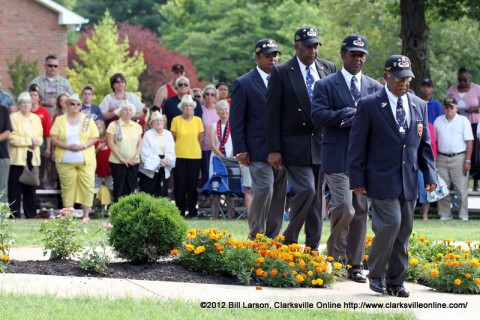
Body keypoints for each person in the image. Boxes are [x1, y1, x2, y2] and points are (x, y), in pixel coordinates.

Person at [348, 55, 437, 297]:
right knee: (391, 224)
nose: (404, 83)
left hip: (408, 180)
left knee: (404, 231)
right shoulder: (369, 104)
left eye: (408, 78)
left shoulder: (420, 104)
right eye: (399, 78)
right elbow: (357, 146)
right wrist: (356, 180)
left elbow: (424, 145)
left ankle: (396, 282)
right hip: (380, 179)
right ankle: (376, 274)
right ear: (387, 76)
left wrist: (430, 174)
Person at [311, 34, 383, 283]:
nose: (358, 59)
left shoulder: (375, 87)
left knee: (361, 210)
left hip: (364, 160)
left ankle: (354, 265)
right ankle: (334, 258)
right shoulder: (326, 85)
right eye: (353, 54)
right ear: (342, 55)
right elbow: (317, 115)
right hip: (336, 156)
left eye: (361, 55)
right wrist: (345, 114)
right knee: (345, 207)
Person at [265, 26, 336, 250]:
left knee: (316, 201)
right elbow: (272, 114)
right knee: (308, 190)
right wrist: (274, 149)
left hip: (322, 143)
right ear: (296, 47)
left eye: (315, 46)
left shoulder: (328, 68)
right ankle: (290, 237)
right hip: (294, 144)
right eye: (308, 47)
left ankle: (312, 248)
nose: (313, 51)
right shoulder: (282, 72)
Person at [230, 38, 287, 238]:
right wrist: (240, 149)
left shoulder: (283, 79)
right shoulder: (244, 83)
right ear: (257, 57)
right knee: (264, 188)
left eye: (275, 55)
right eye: (267, 56)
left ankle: (272, 237)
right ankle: (256, 233)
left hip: (283, 149)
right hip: (257, 149)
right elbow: (236, 120)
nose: (273, 59)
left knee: (279, 195)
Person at [50, 94, 99, 223]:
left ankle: (86, 215)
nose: (75, 106)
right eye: (72, 103)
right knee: (67, 188)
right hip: (65, 160)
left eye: (78, 104)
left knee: (88, 186)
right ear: (66, 105)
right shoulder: (60, 119)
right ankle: (69, 215)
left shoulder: (87, 119)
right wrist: (66, 146)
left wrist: (84, 146)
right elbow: (53, 138)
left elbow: (95, 137)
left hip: (86, 160)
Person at [434, 97, 473, 221]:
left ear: (456, 108)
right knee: (442, 187)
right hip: (441, 157)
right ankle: (445, 214)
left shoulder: (463, 121)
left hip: (459, 157)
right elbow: (434, 142)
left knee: (461, 188)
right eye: (446, 107)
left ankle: (463, 214)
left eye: (451, 107)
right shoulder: (438, 121)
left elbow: (469, 142)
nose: (449, 109)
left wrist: (468, 160)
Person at [8, 92, 43, 218]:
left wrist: (37, 142)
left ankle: (31, 214)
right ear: (19, 104)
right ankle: (14, 214)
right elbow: (12, 138)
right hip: (17, 158)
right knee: (15, 188)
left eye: (28, 102)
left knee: (31, 188)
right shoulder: (13, 118)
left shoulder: (36, 118)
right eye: (23, 102)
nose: (26, 104)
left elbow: (40, 137)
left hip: (33, 157)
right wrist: (29, 142)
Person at [446, 68, 480, 191]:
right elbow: (447, 103)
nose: (462, 83)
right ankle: (456, 179)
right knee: (460, 149)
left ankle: (475, 181)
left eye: (465, 80)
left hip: (473, 123)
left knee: (474, 150)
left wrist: (475, 109)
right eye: (460, 80)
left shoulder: (477, 88)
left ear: (469, 78)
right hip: (457, 124)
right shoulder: (452, 90)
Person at [170, 94, 204, 218]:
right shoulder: (176, 120)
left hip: (195, 155)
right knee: (180, 185)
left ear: (193, 107)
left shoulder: (198, 120)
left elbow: (200, 139)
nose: (188, 108)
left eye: (190, 106)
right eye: (186, 106)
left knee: (192, 185)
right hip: (179, 155)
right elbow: (172, 138)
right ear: (181, 107)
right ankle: (180, 211)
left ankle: (192, 211)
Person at [106, 100, 142, 202]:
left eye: (130, 110)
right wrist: (122, 159)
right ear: (120, 112)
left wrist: (135, 157)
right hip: (117, 162)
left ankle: (129, 212)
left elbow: (140, 143)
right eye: (125, 110)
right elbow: (111, 143)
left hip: (133, 162)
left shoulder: (136, 126)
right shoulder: (113, 125)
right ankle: (117, 211)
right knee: (119, 187)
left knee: (131, 186)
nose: (128, 112)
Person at [138, 111, 176, 198]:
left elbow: (171, 151)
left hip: (165, 164)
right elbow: (145, 154)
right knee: (149, 193)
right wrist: (158, 161)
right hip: (150, 168)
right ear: (152, 123)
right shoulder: (148, 134)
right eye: (156, 121)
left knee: (162, 193)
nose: (159, 122)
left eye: (161, 120)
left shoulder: (168, 134)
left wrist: (167, 160)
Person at [209, 100, 234, 219]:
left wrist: (230, 157)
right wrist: (222, 157)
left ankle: (230, 214)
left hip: (232, 158)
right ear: (217, 112)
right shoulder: (214, 126)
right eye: (221, 109)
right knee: (216, 185)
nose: (224, 111)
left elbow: (236, 141)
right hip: (216, 158)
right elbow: (213, 144)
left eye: (226, 109)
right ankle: (215, 214)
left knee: (231, 185)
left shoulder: (233, 124)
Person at [29, 84, 52, 189]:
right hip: (26, 142)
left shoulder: (44, 112)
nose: (32, 97)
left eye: (34, 95)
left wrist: (48, 147)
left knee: (40, 169)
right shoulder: (26, 110)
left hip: (40, 143)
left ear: (39, 97)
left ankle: (38, 195)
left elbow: (48, 132)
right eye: (30, 95)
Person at [200, 85, 219, 193]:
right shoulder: (201, 111)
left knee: (217, 173)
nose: (209, 96)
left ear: (215, 96)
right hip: (205, 148)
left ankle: (217, 196)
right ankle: (206, 197)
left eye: (212, 94)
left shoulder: (219, 110)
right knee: (206, 174)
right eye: (207, 94)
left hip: (218, 148)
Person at [94, 120, 112, 190]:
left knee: (109, 185)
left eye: (99, 128)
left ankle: (110, 200)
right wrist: (98, 148)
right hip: (97, 168)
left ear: (104, 129)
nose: (97, 130)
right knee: (97, 186)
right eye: (95, 128)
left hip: (108, 167)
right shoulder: (93, 141)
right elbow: (91, 154)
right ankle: (96, 200)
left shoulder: (108, 140)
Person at [0, 103, 12, 203]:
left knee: (2, 187)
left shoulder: (3, 110)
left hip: (2, 155)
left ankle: (2, 214)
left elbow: (7, 132)